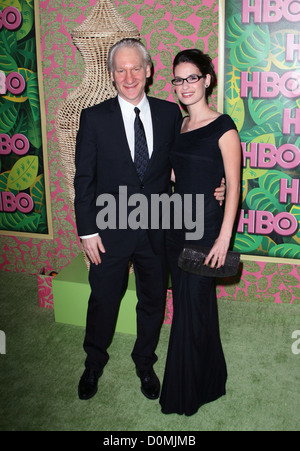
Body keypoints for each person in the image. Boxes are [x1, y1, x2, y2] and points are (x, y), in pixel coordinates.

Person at [74, 39, 225, 402]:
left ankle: (145, 361)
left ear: (150, 70)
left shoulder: (170, 114)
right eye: (121, 70)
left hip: (159, 229)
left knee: (153, 300)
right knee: (104, 299)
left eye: (136, 68)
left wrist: (215, 187)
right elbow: (84, 180)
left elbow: (183, 166)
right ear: (112, 74)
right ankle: (93, 362)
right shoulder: (94, 118)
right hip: (108, 230)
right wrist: (87, 230)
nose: (130, 77)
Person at [159, 49, 241, 416]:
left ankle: (184, 392)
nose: (184, 86)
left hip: (207, 230)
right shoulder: (179, 125)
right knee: (196, 306)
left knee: (190, 308)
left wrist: (224, 239)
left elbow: (234, 188)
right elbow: (179, 173)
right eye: (178, 79)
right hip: (178, 226)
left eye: (192, 77)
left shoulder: (224, 127)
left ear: (207, 80)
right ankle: (211, 379)